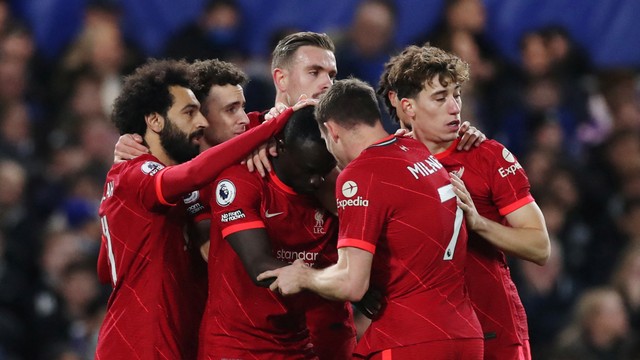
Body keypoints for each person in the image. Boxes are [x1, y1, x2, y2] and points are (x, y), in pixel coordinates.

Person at [258, 78, 484, 359]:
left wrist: (304, 276)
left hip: (409, 340)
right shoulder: (417, 151)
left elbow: (352, 284)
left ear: (331, 131)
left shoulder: (361, 174)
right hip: (465, 334)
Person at [95, 58, 306, 359]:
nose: (202, 123)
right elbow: (193, 174)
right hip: (140, 345)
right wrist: (272, 126)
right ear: (155, 121)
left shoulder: (164, 185)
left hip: (180, 340)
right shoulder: (135, 174)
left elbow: (107, 267)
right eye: (189, 113)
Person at [381, 44, 550, 359]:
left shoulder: (487, 155)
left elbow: (539, 246)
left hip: (494, 327)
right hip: (421, 335)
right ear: (407, 107)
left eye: (456, 95)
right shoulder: (384, 163)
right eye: (440, 98)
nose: (455, 107)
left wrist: (478, 222)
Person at [201, 105, 355, 358]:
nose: (317, 181)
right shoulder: (241, 182)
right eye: (308, 169)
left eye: (324, 170)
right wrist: (335, 281)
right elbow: (260, 266)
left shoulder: (328, 193)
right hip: (236, 346)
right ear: (279, 148)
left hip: (298, 344)